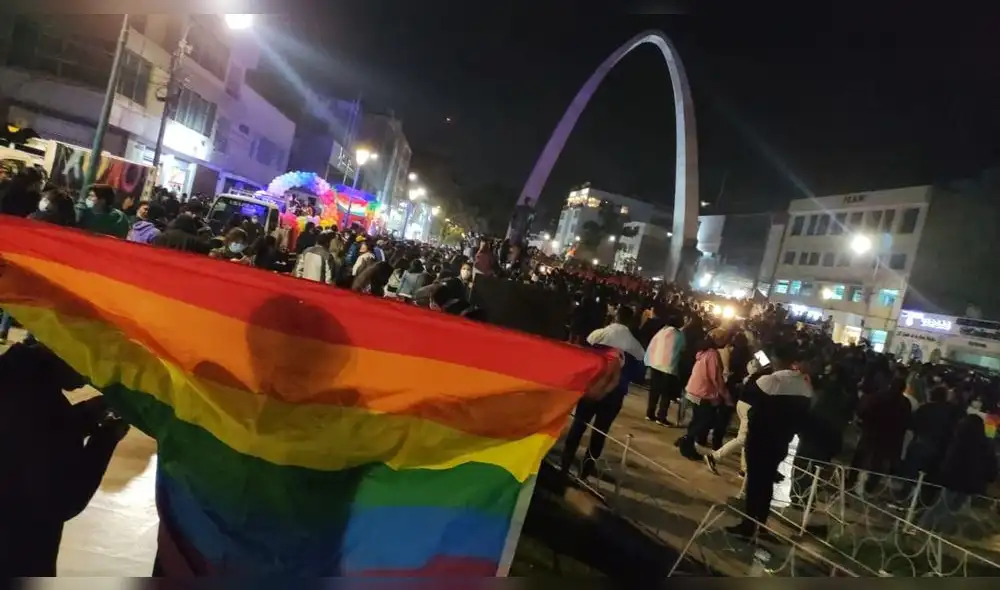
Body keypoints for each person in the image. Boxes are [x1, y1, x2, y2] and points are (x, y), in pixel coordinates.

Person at [0, 342, 130, 576]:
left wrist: (87, 414)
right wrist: (106, 439)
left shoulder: (13, 377)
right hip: (20, 550)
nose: (88, 379)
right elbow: (61, 500)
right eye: (87, 367)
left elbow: (32, 440)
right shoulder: (42, 402)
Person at [726, 342, 813, 538]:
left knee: (755, 482)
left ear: (776, 360)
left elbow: (748, 395)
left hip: (759, 439)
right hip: (781, 441)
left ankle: (749, 525)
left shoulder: (771, 381)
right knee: (766, 483)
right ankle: (761, 524)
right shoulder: (804, 386)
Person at [560, 306, 645, 479]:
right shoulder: (636, 347)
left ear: (615, 316)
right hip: (614, 395)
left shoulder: (597, 335)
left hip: (591, 388)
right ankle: (585, 472)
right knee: (599, 432)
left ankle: (564, 465)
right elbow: (638, 374)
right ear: (630, 321)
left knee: (578, 427)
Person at [919, 414, 997, 532]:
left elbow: (948, 460)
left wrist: (941, 475)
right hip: (971, 484)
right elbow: (991, 466)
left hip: (952, 481)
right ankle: (942, 532)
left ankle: (924, 528)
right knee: (954, 509)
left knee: (941, 506)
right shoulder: (985, 444)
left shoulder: (958, 440)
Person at [676, 328, 729, 461]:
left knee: (698, 420)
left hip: (694, 389)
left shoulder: (703, 351)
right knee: (705, 421)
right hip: (703, 393)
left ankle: (687, 442)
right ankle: (686, 443)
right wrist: (725, 395)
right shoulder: (712, 354)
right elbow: (715, 378)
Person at [644, 311, 686, 426]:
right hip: (669, 367)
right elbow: (682, 349)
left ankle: (649, 413)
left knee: (654, 391)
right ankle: (661, 417)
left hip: (655, 364)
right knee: (666, 394)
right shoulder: (679, 334)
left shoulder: (662, 331)